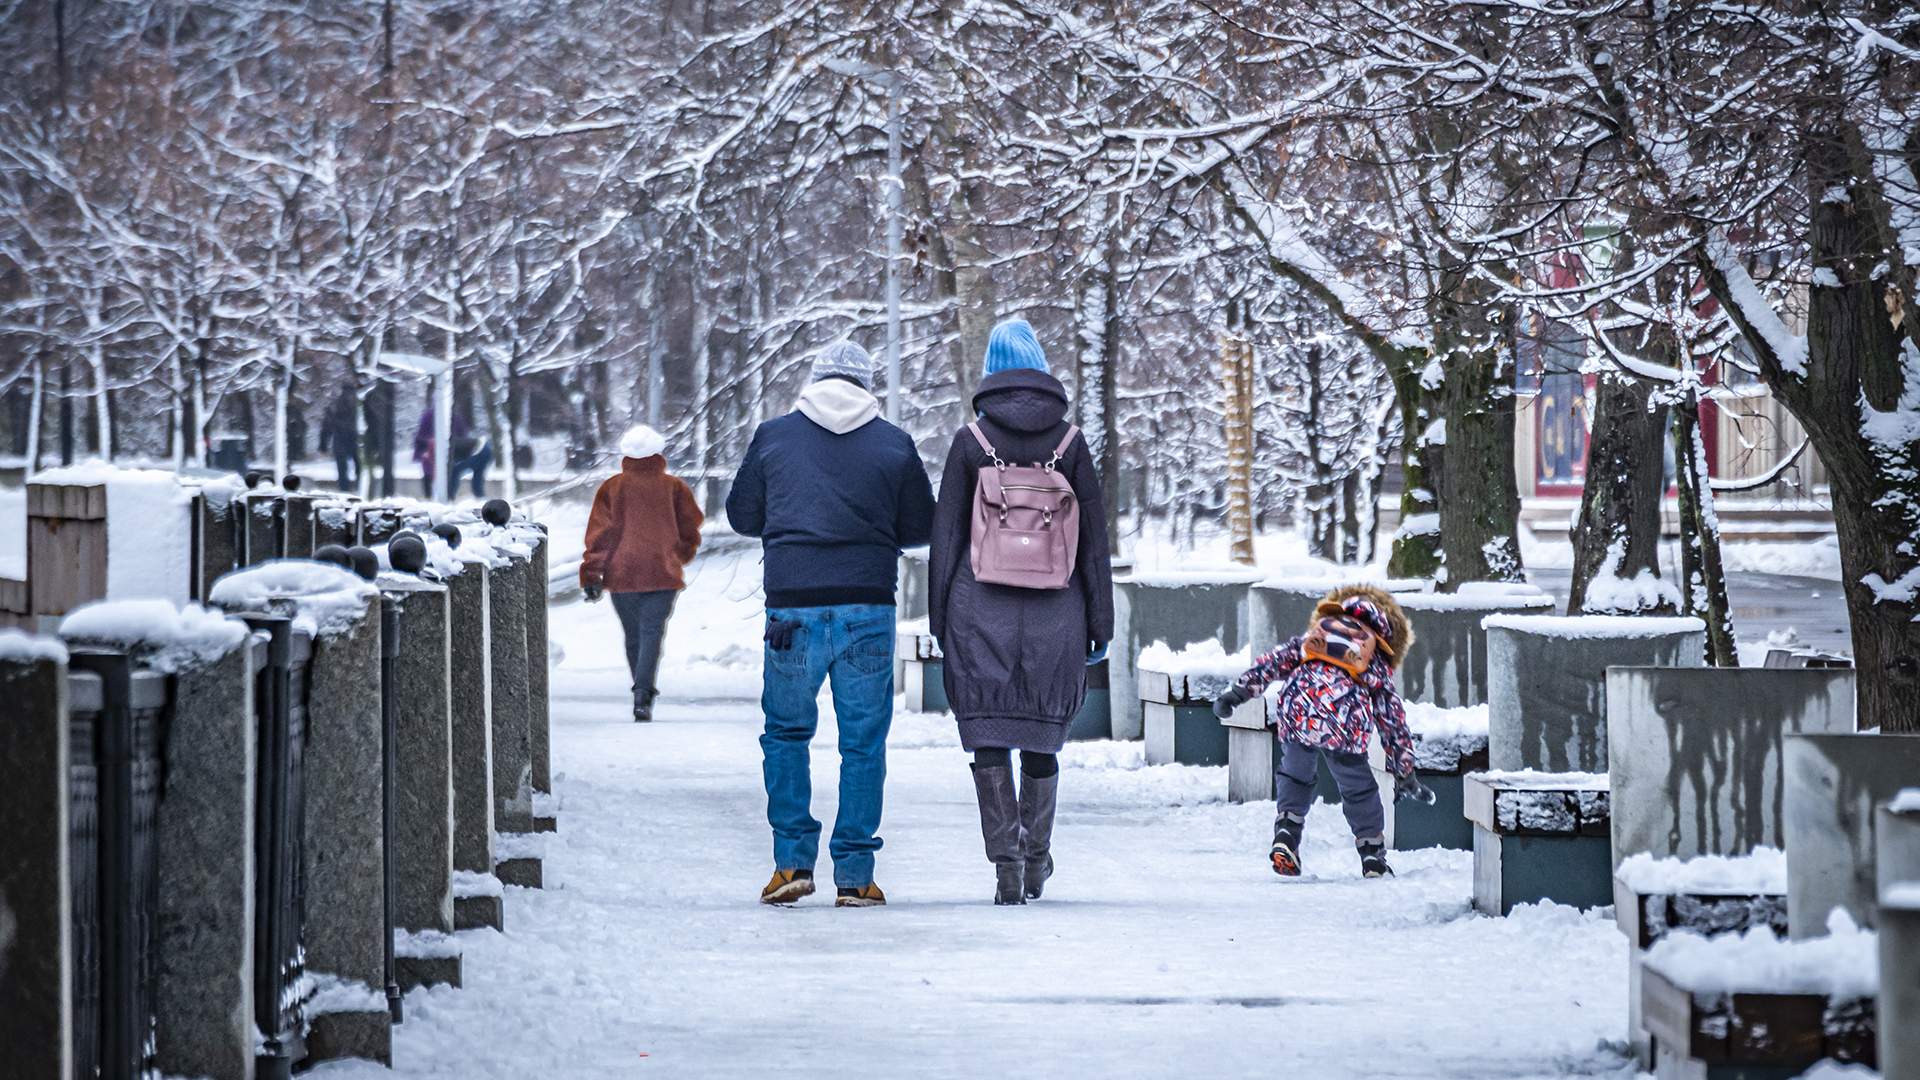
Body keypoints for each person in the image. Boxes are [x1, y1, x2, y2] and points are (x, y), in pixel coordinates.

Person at [727, 340, 935, 909]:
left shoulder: (774, 437)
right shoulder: (893, 444)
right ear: (868, 386)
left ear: (814, 382)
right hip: (867, 606)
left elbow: (742, 515)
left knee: (787, 734)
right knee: (863, 744)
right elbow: (922, 526)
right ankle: (856, 877)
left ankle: (792, 863)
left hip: (791, 608)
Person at [928, 318, 1114, 905]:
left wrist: (940, 621)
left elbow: (947, 539)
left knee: (988, 736)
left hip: (978, 610)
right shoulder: (1071, 444)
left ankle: (1006, 866)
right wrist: (1100, 624)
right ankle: (1036, 860)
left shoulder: (970, 443)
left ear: (990, 372)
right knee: (1039, 739)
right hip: (1057, 613)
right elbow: (1096, 544)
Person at [1212, 585, 1425, 879]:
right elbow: (1391, 719)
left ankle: (1287, 831)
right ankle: (1372, 855)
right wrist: (1404, 770)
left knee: (1296, 774)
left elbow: (1273, 662)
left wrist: (1236, 693)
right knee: (1358, 788)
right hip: (1344, 719)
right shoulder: (1373, 659)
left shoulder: (1318, 635)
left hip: (1299, 708)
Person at [581, 424, 704, 722]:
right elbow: (691, 527)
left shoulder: (612, 487)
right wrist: (679, 555)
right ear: (658, 453)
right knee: (652, 632)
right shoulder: (674, 487)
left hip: (622, 573)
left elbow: (600, 535)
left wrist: (591, 574)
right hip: (663, 571)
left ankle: (640, 689)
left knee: (633, 634)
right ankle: (643, 694)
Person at [319, 385, 358, 490]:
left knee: (342, 467)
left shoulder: (334, 405)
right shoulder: (356, 403)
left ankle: (344, 488)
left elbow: (327, 425)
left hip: (340, 438)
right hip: (353, 437)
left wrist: (323, 444)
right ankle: (358, 485)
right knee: (357, 464)